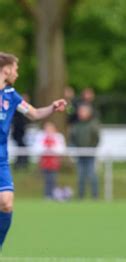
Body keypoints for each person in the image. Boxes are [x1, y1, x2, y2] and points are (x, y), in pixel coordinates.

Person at [0, 52, 67, 249]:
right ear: (6, 69)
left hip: (1, 160)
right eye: (16, 69)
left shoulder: (11, 96)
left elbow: (35, 113)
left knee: (6, 202)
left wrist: (52, 107)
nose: (17, 73)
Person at [69, 103, 100, 199]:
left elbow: (96, 138)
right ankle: (80, 196)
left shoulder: (93, 124)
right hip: (80, 154)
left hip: (90, 154)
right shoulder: (76, 125)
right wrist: (76, 148)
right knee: (80, 176)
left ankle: (95, 196)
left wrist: (90, 149)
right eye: (80, 111)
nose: (80, 113)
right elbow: (72, 138)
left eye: (83, 111)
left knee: (92, 175)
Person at [32, 121, 66, 199]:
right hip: (44, 161)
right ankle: (47, 195)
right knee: (46, 179)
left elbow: (61, 149)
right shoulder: (41, 136)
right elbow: (37, 148)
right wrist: (46, 149)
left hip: (54, 161)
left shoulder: (58, 136)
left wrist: (51, 149)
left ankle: (53, 194)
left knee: (53, 178)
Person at [11, 93, 30, 169]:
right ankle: (20, 161)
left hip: (21, 130)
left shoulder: (23, 107)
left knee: (21, 144)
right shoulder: (17, 107)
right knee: (20, 144)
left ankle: (22, 161)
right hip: (17, 130)